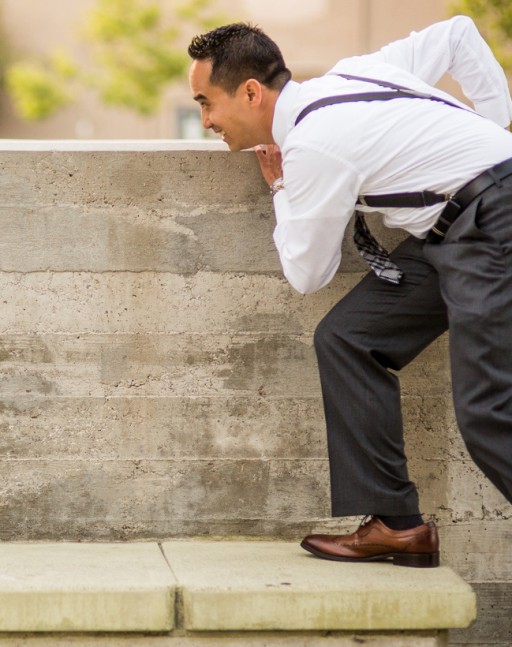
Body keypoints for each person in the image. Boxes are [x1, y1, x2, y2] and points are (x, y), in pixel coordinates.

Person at [186, 16, 512, 568]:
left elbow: (307, 273)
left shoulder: (313, 145)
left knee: (488, 411)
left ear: (250, 92)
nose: (205, 121)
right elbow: (458, 35)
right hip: (449, 233)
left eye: (206, 102)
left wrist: (283, 187)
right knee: (348, 337)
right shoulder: (353, 74)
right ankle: (397, 525)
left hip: (493, 226)